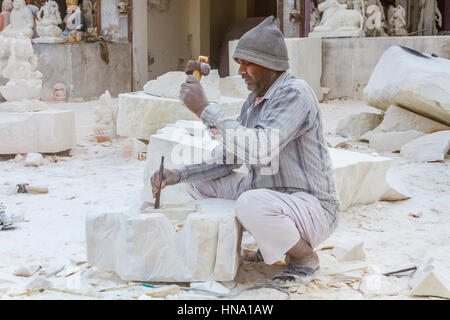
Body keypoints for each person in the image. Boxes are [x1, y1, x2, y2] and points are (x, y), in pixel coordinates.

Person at [150, 16, 341, 287]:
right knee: (199, 185)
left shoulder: (295, 94)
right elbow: (229, 158)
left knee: (251, 203)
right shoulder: (253, 103)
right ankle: (254, 244)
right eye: (239, 63)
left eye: (247, 64)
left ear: (270, 65)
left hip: (310, 206)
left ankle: (304, 258)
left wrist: (205, 109)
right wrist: (178, 174)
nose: (240, 71)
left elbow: (260, 150)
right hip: (272, 197)